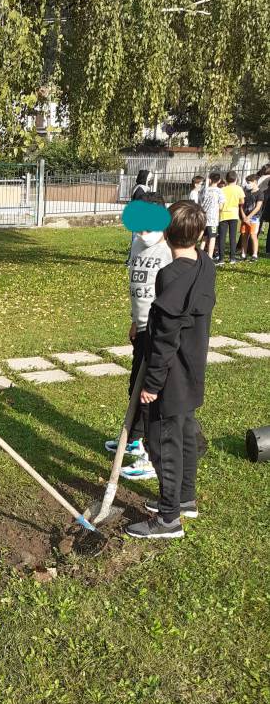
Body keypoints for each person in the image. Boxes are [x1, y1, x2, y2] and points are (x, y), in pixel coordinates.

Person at [126, 201, 216, 539]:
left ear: (166, 233)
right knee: (186, 433)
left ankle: (168, 519)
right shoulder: (205, 265)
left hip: (172, 376)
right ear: (201, 234)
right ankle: (185, 498)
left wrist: (151, 384)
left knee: (164, 443)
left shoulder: (169, 276)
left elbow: (164, 338)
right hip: (193, 368)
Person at [108, 213, 173, 481]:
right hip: (142, 325)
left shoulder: (169, 248)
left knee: (148, 393)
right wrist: (135, 321)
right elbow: (137, 284)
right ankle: (134, 438)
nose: (143, 231)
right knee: (135, 384)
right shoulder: (137, 243)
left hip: (158, 330)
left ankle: (149, 455)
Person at [215, 170, 244, 265]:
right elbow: (242, 202)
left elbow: (219, 201)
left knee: (222, 237)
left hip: (223, 214)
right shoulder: (239, 189)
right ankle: (232, 258)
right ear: (236, 179)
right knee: (232, 237)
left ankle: (221, 259)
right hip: (233, 214)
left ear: (226, 180)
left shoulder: (222, 189)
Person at [239, 175, 263, 262]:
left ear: (255, 182)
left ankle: (254, 254)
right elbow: (241, 205)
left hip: (254, 218)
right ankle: (243, 254)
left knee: (253, 235)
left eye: (249, 182)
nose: (247, 184)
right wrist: (244, 216)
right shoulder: (246, 192)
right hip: (245, 218)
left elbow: (258, 207)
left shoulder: (260, 193)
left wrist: (249, 217)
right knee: (244, 235)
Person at [198, 172, 221, 258]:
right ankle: (210, 255)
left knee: (204, 236)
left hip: (204, 216)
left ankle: (200, 253)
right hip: (213, 219)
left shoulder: (204, 190)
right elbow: (221, 205)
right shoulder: (219, 191)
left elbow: (200, 201)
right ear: (219, 181)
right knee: (212, 237)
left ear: (210, 180)